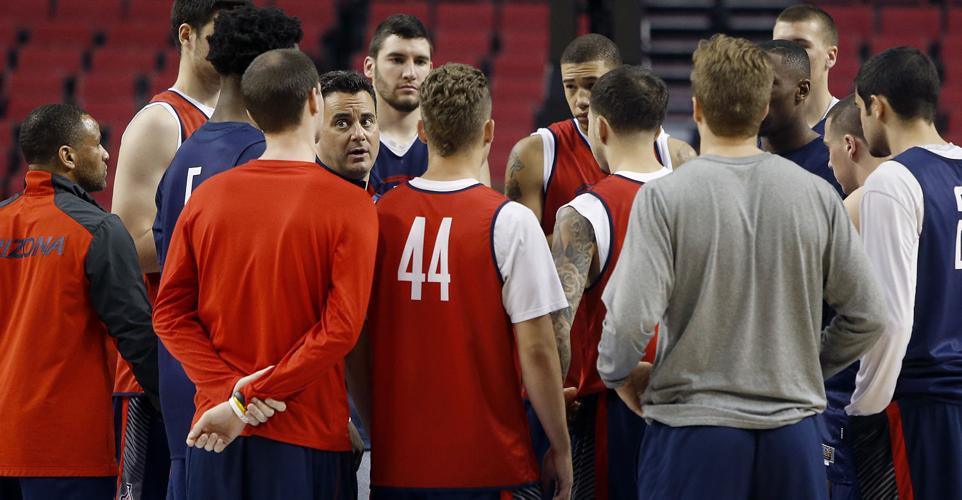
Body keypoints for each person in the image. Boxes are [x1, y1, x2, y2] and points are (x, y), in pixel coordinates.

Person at [597, 34, 887, 499]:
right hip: (793, 433)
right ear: (762, 108)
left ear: (696, 109)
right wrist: (802, 366)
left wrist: (617, 374)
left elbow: (629, 321)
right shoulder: (816, 195)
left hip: (694, 431)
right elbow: (870, 314)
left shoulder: (665, 197)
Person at [153, 48, 375, 499]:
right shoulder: (351, 204)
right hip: (305, 436)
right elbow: (340, 329)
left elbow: (169, 315)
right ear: (315, 100)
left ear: (252, 114)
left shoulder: (206, 199)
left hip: (215, 432)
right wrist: (245, 400)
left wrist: (228, 391)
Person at [355, 63, 572, 499]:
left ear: (422, 131)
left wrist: (379, 430)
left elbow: (355, 348)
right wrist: (562, 447)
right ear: (489, 131)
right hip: (492, 467)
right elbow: (537, 348)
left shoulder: (376, 217)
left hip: (398, 469)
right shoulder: (511, 221)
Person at [151, 7, 301, 499]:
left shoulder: (184, 154)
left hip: (183, 375)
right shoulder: (261, 154)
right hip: (240, 384)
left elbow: (166, 263)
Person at [110, 2, 249, 497]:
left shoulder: (250, 122)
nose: (232, 44)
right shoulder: (161, 120)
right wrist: (214, 241)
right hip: (161, 366)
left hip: (225, 354)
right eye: (219, 32)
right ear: (187, 35)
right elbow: (128, 243)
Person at [0, 104, 159, 500]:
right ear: (67, 156)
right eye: (97, 144)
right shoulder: (99, 229)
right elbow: (136, 335)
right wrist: (174, 405)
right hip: (68, 450)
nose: (106, 154)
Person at [846, 47, 962, 500]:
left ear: (877, 105)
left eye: (860, 109)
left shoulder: (892, 180)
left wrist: (863, 410)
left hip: (922, 406)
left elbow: (890, 320)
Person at [550, 65, 670, 499]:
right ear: (659, 127)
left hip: (612, 408)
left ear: (599, 127)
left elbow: (556, 326)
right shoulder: (703, 197)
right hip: (695, 403)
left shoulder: (583, 212)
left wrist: (554, 404)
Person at [504, 33, 695, 243]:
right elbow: (520, 251)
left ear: (618, 82)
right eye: (570, 87)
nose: (581, 100)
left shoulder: (677, 156)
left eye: (591, 85)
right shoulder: (534, 154)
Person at [804, 94, 886, 500]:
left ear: (849, 145)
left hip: (848, 388)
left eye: (829, 150)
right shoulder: (925, 190)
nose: (829, 162)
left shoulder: (853, 207)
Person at [759, 39, 844, 195]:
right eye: (750, 82)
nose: (753, 93)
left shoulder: (833, 164)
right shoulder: (736, 158)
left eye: (766, 83)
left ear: (802, 90)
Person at [773, 4, 840, 134]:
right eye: (779, 46)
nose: (787, 55)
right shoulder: (756, 128)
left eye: (801, 46)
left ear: (831, 56)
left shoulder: (855, 127)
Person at [824, 95, 885, 232]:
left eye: (829, 147)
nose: (829, 163)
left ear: (849, 145)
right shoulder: (912, 184)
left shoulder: (852, 212)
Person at [316, 70, 380, 187]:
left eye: (366, 122)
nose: (359, 134)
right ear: (314, 131)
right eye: (342, 123)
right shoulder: (297, 195)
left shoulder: (392, 193)